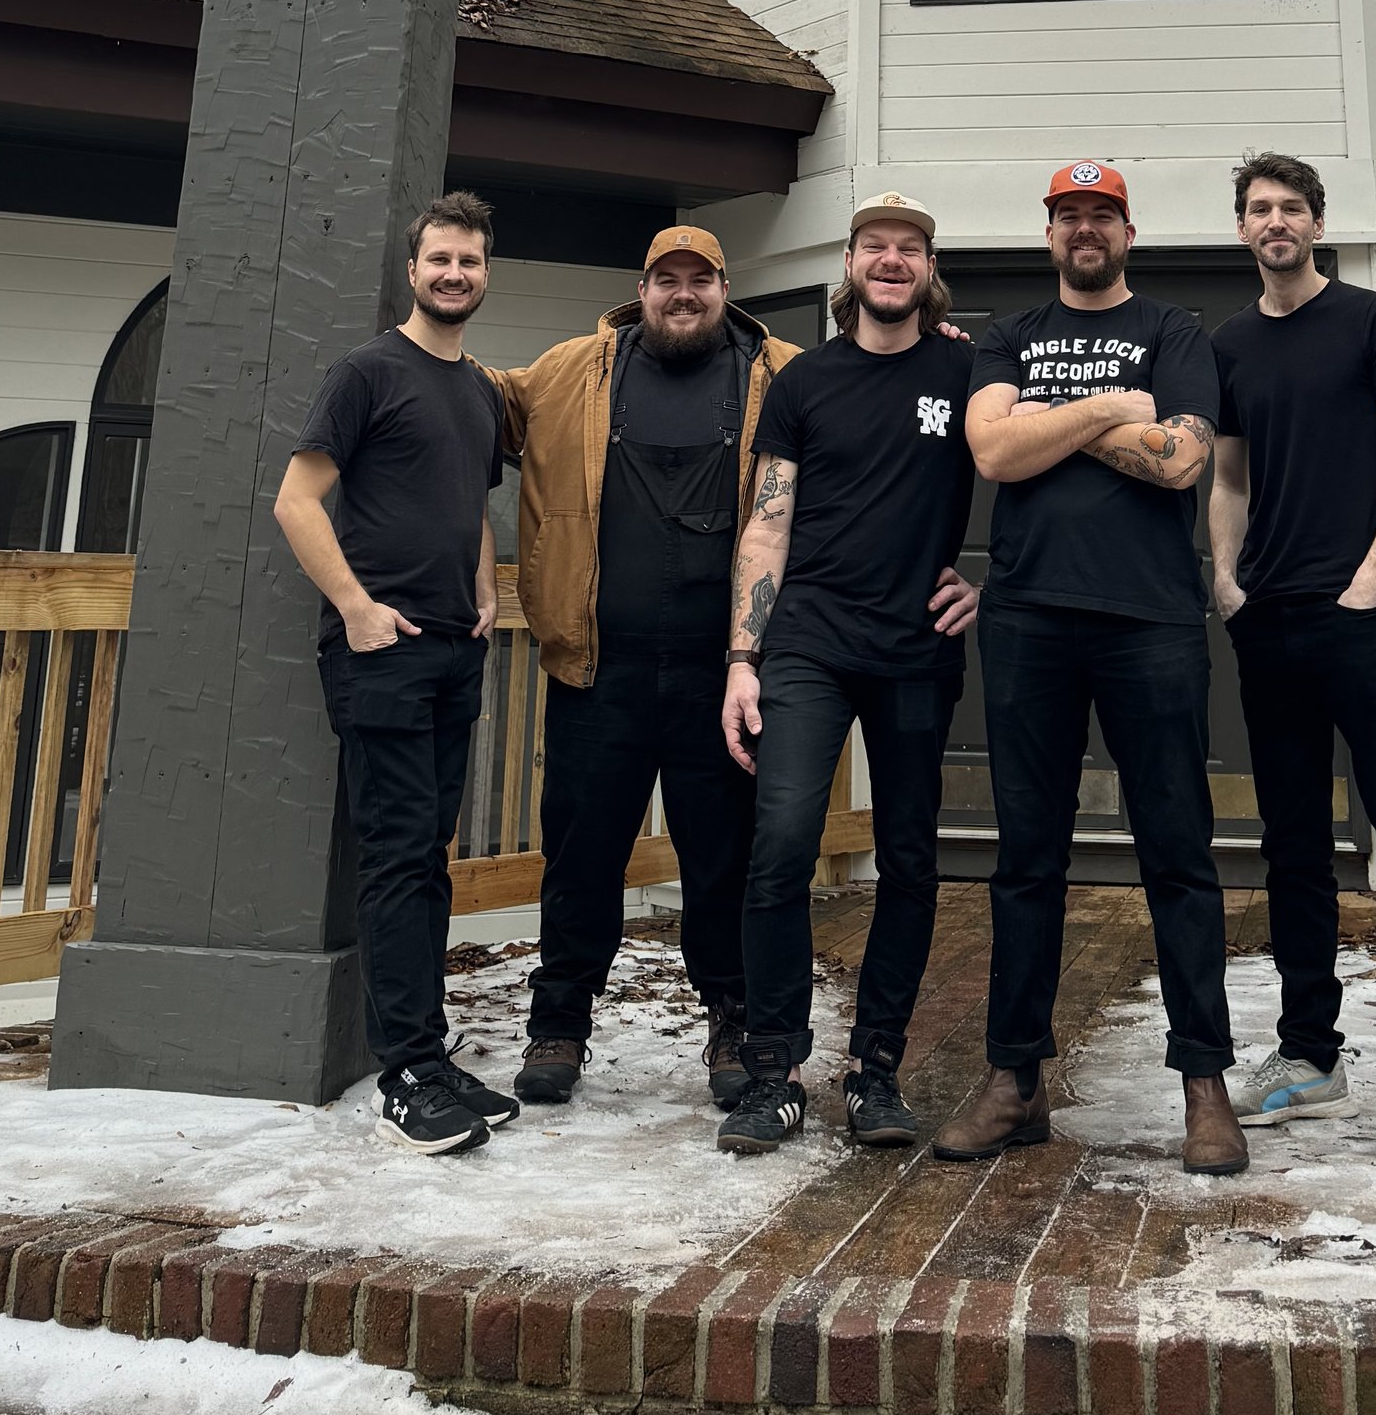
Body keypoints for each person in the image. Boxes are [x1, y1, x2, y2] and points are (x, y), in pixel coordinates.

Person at [935, 160, 1247, 1179]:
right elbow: (990, 453)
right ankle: (1013, 1081)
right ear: (1049, 233)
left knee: (1178, 854)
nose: (1084, 230)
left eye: (1099, 215)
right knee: (1027, 860)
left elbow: (1183, 460)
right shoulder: (1007, 334)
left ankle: (1203, 1082)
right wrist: (1117, 406)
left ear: (1126, 230)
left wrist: (1050, 426)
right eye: (1068, 215)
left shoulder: (1178, 329)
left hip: (1150, 621)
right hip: (1027, 622)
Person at [488, 227, 802, 1112]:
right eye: (668, 280)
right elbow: (474, 402)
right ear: (642, 288)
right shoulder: (570, 370)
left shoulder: (781, 367)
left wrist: (944, 347)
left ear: (724, 288)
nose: (683, 294)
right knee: (581, 852)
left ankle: (731, 1020)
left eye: (700, 279)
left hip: (726, 673)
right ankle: (559, 1021)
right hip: (599, 666)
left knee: (723, 857)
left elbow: (872, 409)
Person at [1209, 152, 1376, 1163]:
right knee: (1293, 849)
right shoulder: (1228, 344)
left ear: (1315, 223)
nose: (1277, 222)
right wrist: (1223, 578)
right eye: (1260, 209)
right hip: (1265, 624)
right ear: (1243, 230)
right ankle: (1309, 1055)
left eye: (1292, 208)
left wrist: (1369, 581)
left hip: (1362, 620)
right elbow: (1227, 480)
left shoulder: (1370, 322)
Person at [717, 193, 979, 1157]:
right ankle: (774, 1070)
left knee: (910, 858)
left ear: (928, 266)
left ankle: (876, 1069)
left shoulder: (966, 366)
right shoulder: (802, 381)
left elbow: (1036, 482)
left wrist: (986, 584)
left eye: (911, 246)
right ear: (851, 263)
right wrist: (743, 656)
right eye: (876, 244)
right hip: (809, 645)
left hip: (917, 648)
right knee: (782, 842)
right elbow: (767, 522)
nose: (892, 258)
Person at [274, 191, 514, 1155]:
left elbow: (472, 505)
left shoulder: (480, 391)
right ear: (413, 271)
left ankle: (428, 1049)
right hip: (383, 653)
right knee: (395, 852)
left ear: (485, 274)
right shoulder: (369, 371)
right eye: (439, 259)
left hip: (455, 649)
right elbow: (297, 500)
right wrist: (356, 607)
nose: (454, 273)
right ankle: (405, 1068)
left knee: (430, 853)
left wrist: (487, 588)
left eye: (470, 261)